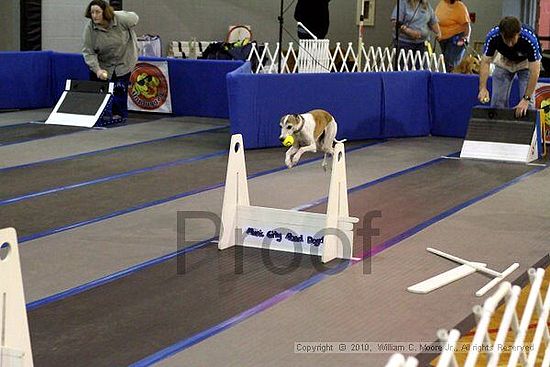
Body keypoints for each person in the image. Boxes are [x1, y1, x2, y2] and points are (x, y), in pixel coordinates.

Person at [82, 0, 139, 123]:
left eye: (98, 12)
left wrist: (120, 14)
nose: (94, 15)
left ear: (105, 12)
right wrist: (97, 70)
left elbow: (135, 18)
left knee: (119, 89)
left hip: (124, 61)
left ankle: (119, 116)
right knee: (98, 88)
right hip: (104, 63)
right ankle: (96, 114)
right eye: (92, 12)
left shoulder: (120, 19)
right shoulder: (90, 28)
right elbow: (89, 52)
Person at [478, 16, 542, 117]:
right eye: (506, 40)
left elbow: (535, 71)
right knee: (497, 103)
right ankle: (498, 130)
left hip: (525, 64)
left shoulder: (530, 39)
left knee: (527, 106)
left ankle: (525, 131)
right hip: (504, 61)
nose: (510, 44)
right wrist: (482, 88)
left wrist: (526, 99)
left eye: (513, 39)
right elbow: (485, 62)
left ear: (518, 34)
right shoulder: (493, 36)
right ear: (501, 34)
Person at [435, 0, 471, 72]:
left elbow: (467, 27)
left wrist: (466, 38)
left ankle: (453, 80)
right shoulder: (441, 3)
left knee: (451, 63)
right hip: (443, 39)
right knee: (446, 63)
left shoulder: (460, 7)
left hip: (456, 39)